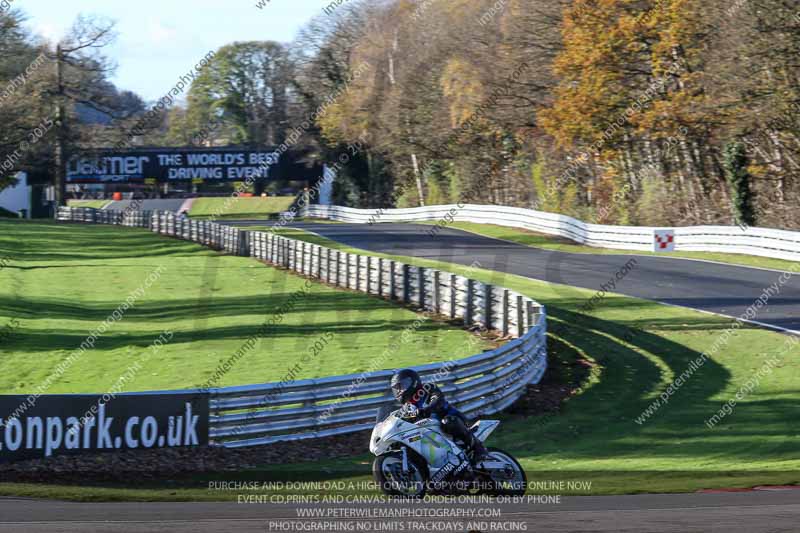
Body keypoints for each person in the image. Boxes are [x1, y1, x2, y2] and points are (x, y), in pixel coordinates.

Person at [390, 368, 489, 463]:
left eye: (402, 386)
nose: (400, 391)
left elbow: (438, 398)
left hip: (453, 419)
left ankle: (478, 448)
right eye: (397, 389)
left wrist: (427, 409)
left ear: (413, 382)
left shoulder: (427, 388)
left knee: (448, 422)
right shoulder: (406, 408)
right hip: (431, 432)